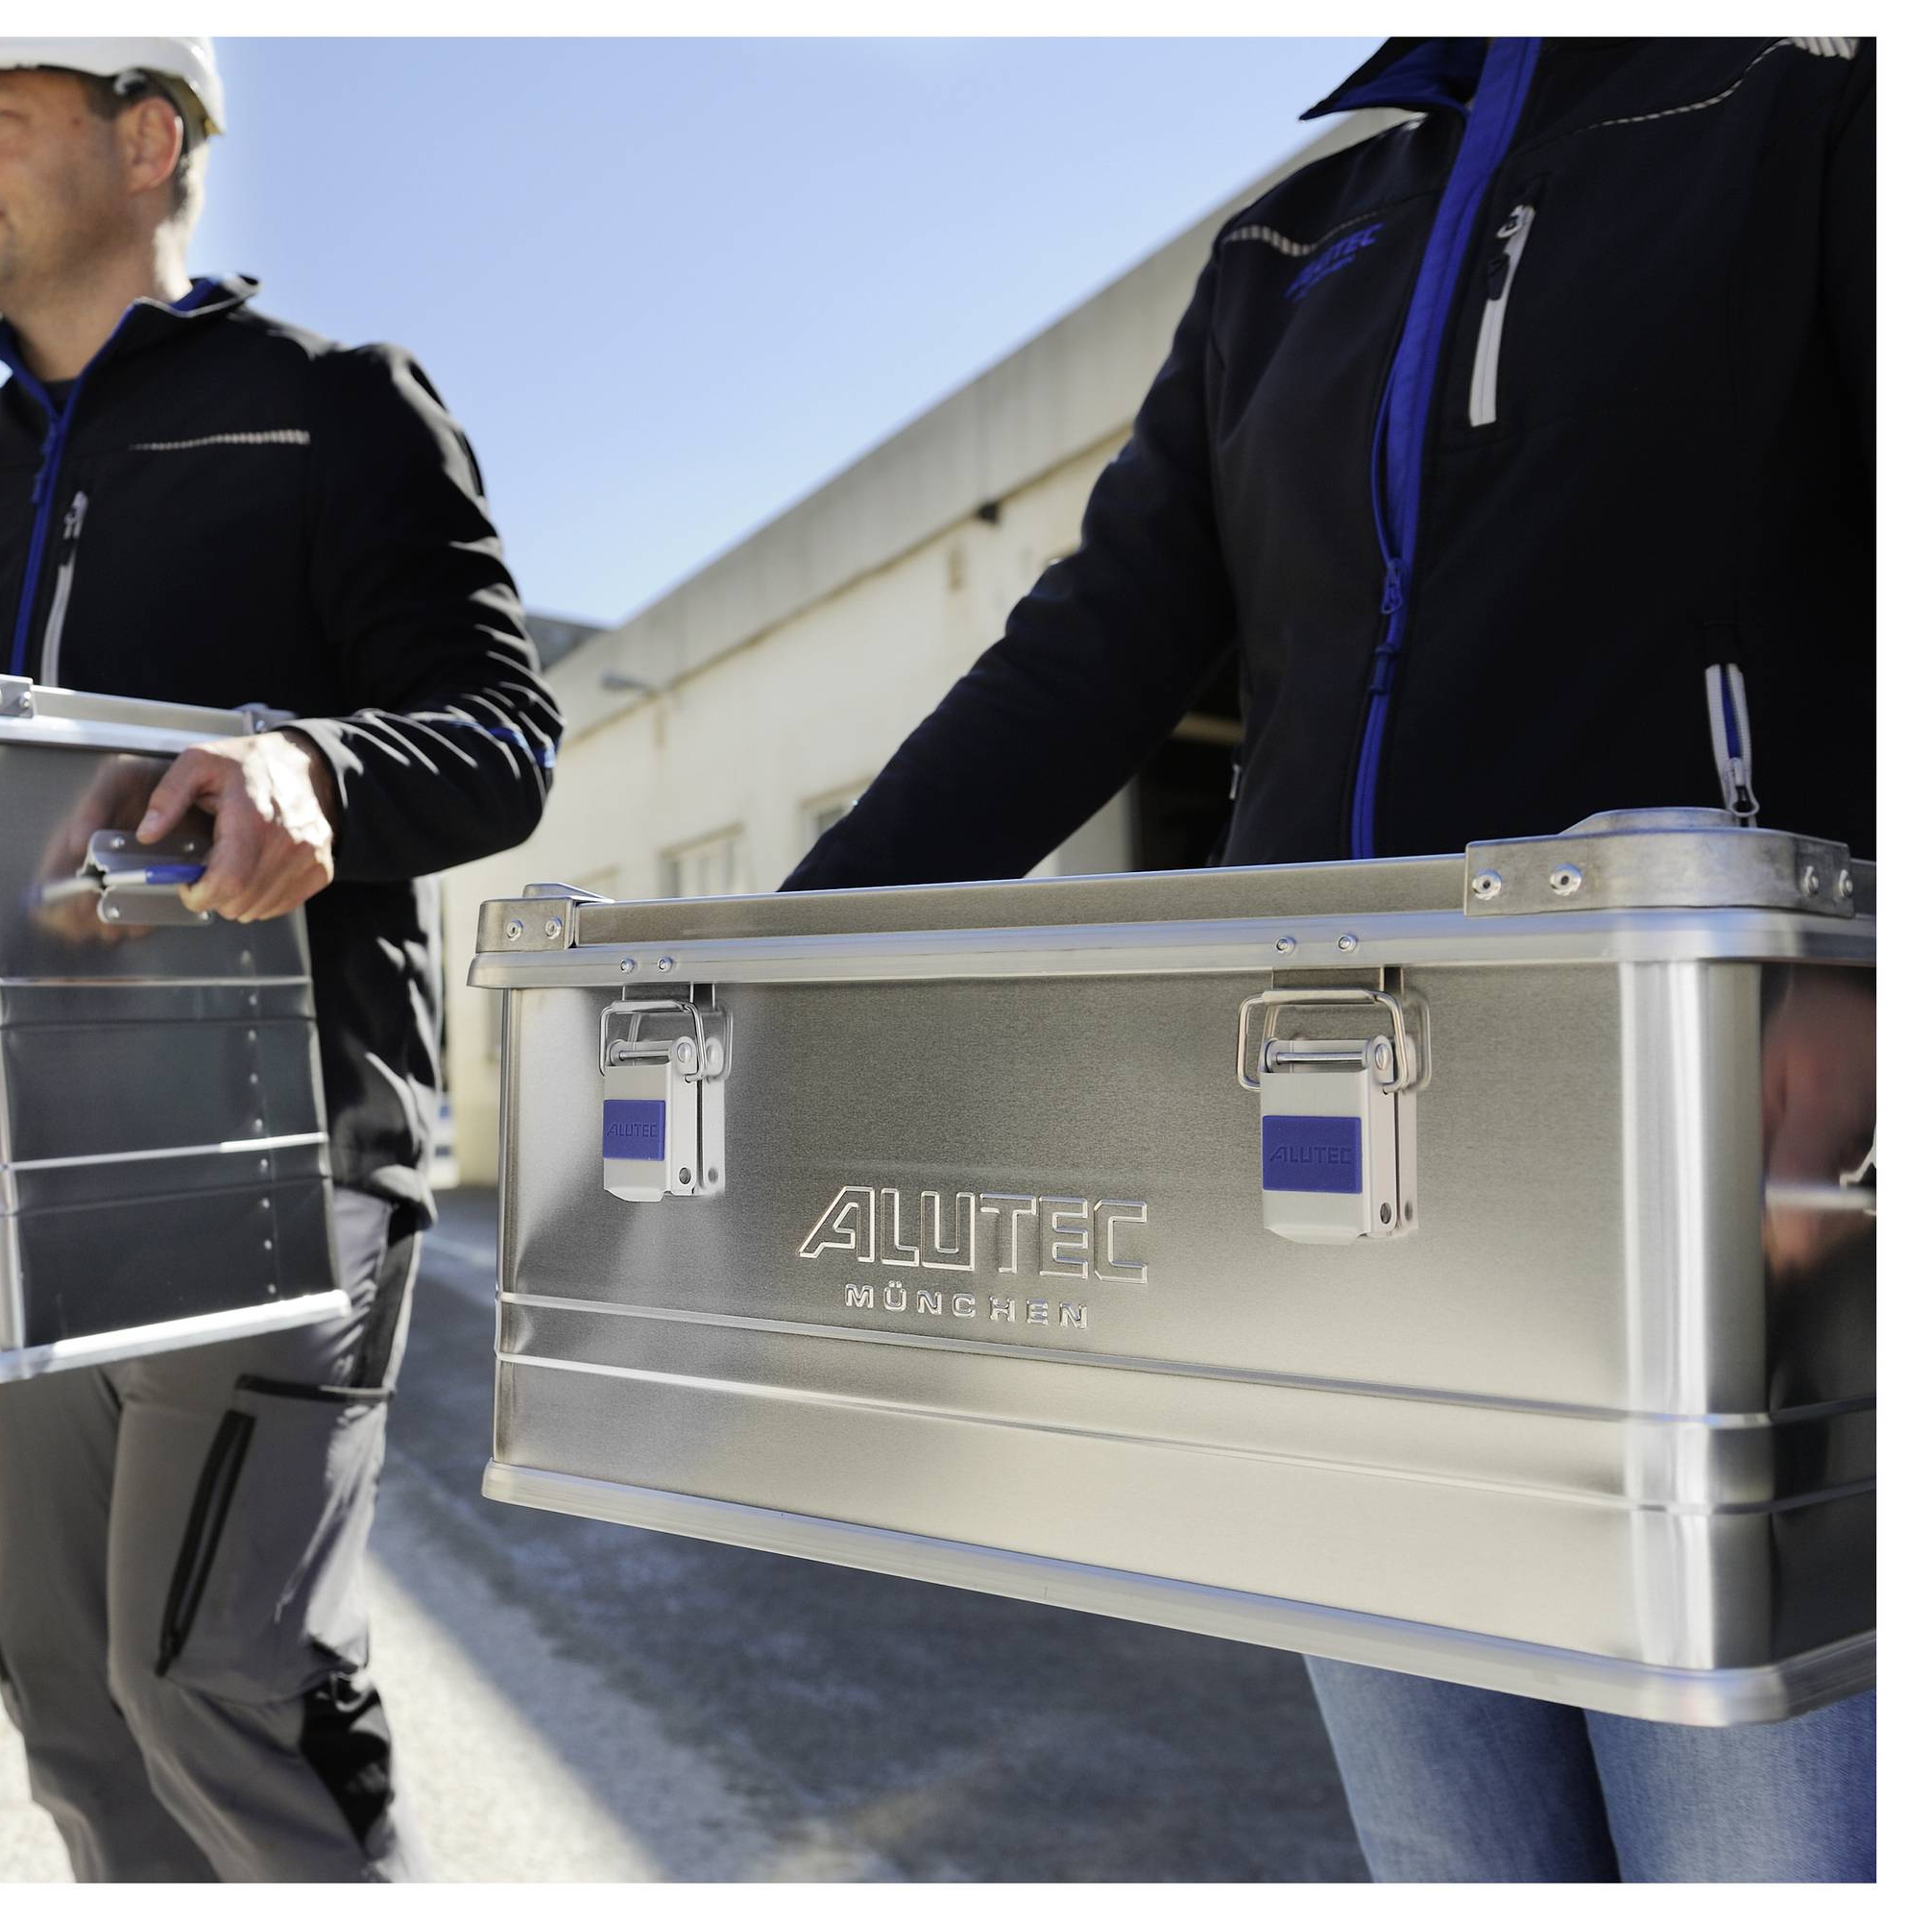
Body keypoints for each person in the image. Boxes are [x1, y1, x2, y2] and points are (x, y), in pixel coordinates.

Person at [785, 36, 1872, 1883]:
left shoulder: (1808, 114)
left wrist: (1875, 966)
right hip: (1331, 1192)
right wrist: (787, 960)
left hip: (1710, 1156)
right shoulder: (1294, 244)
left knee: (1761, 1855)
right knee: (1461, 1863)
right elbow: (1091, 651)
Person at [0, 36, 559, 1882]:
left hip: (280, 1147)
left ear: (147, 138)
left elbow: (500, 736)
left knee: (222, 1684)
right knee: (76, 1708)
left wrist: (314, 761)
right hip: (16, 1181)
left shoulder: (334, 409)